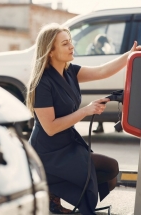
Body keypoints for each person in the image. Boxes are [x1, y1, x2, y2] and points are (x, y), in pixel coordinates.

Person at [26, 23, 141, 215]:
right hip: (48, 152)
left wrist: (130, 55)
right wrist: (86, 110)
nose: (72, 46)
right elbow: (51, 128)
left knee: (110, 172)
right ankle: (51, 186)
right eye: (65, 44)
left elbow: (102, 72)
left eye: (70, 41)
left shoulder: (69, 71)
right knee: (106, 169)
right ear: (50, 51)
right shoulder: (42, 83)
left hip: (67, 145)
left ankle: (53, 191)